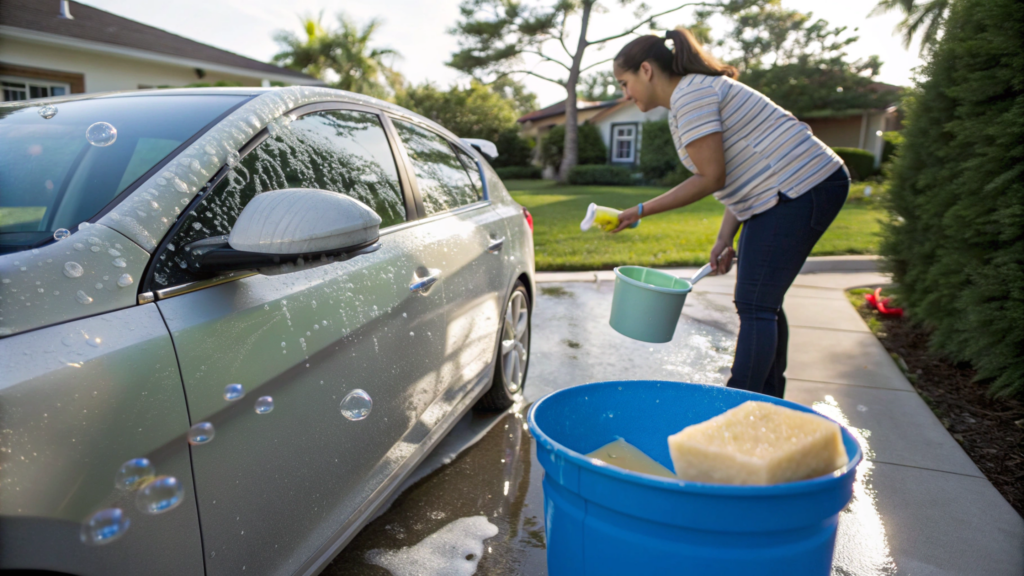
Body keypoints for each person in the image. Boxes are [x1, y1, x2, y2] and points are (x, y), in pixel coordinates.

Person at [609, 28, 850, 399]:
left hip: (802, 186)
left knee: (755, 302)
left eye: (624, 83)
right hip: (779, 193)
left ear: (646, 70)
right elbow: (736, 173)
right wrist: (726, 236)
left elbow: (710, 177)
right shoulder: (688, 97)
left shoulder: (691, 95)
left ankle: (736, 406)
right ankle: (767, 403)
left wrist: (640, 210)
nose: (625, 94)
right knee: (761, 301)